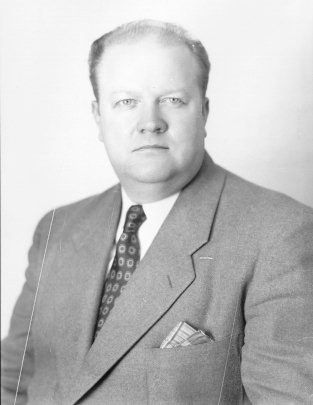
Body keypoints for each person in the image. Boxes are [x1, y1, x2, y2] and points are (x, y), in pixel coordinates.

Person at [1, 19, 313, 405]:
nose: (150, 123)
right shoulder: (57, 228)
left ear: (205, 112)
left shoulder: (280, 233)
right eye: (126, 102)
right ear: (99, 116)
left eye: (172, 100)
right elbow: (12, 380)